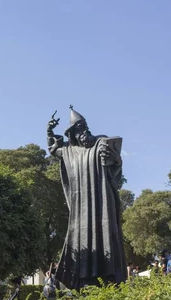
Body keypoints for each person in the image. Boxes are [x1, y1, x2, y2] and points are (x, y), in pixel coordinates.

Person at [47, 107, 127, 290]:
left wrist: (117, 160)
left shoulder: (100, 143)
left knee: (106, 233)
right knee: (79, 237)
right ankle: (81, 280)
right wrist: (49, 131)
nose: (83, 130)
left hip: (102, 202)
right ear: (72, 133)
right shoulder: (68, 151)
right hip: (80, 206)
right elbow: (54, 150)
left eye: (85, 126)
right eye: (79, 127)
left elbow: (115, 166)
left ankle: (110, 277)